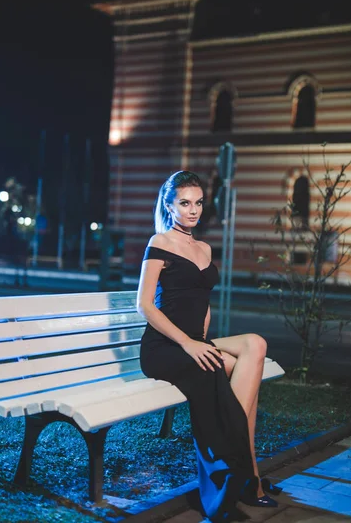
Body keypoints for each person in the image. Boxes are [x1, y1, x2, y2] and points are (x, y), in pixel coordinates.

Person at [137, 171, 278, 522]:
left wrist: (201, 340)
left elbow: (203, 298)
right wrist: (188, 343)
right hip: (164, 346)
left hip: (195, 342)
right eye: (184, 203)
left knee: (255, 345)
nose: (193, 210)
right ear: (169, 206)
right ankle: (248, 479)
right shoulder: (160, 242)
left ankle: (238, 468)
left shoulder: (203, 248)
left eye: (198, 202)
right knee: (231, 372)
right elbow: (144, 304)